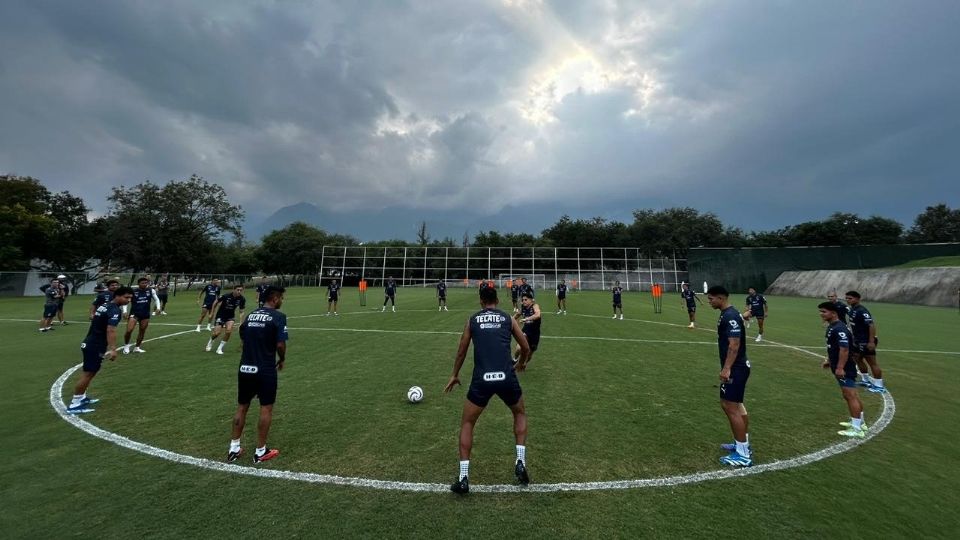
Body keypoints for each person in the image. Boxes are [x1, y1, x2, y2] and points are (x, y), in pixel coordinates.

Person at [444, 286, 531, 494]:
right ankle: (520, 461)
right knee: (519, 413)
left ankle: (463, 478)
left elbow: (461, 351)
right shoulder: (507, 319)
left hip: (481, 380)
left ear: (481, 301)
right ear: (497, 300)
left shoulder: (472, 320)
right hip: (506, 377)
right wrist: (521, 363)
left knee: (467, 423)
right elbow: (525, 347)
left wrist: (454, 374)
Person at [227, 285, 288, 464]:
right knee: (266, 408)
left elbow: (241, 331)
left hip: (245, 368)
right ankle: (260, 451)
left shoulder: (251, 314)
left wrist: (251, 345)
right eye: (281, 298)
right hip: (265, 369)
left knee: (242, 406)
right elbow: (280, 345)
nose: (282, 301)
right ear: (275, 299)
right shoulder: (278, 317)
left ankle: (234, 448)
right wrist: (282, 358)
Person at [66, 286, 134, 414]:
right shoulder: (114, 310)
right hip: (95, 344)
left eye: (130, 298)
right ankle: (75, 404)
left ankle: (82, 397)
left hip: (92, 342)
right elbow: (111, 329)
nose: (128, 300)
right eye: (126, 297)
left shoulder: (105, 305)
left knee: (91, 372)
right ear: (117, 296)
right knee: (88, 373)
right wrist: (113, 349)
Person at [707, 285, 753, 467]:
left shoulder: (730, 316)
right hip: (738, 367)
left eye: (711, 299)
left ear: (720, 298)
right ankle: (742, 444)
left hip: (736, 368)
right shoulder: (730, 314)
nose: (709, 302)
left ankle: (743, 454)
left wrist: (727, 368)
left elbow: (734, 345)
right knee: (737, 406)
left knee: (729, 406)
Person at [818, 302, 867, 438]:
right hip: (840, 365)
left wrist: (840, 367)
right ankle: (860, 422)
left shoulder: (839, 328)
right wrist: (829, 360)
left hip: (845, 367)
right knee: (852, 395)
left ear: (833, 313)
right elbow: (833, 347)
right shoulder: (833, 326)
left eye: (824, 312)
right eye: (821, 311)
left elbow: (844, 349)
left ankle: (857, 429)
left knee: (850, 395)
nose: (821, 314)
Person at [845, 291, 885, 393]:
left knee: (872, 362)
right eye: (847, 298)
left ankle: (879, 386)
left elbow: (871, 325)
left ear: (858, 299)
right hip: (858, 341)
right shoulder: (852, 310)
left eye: (850, 298)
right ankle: (865, 380)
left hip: (866, 341)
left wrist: (871, 342)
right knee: (857, 359)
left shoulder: (862, 310)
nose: (848, 300)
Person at [207, 285, 247, 355]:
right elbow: (215, 302)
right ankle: (211, 340)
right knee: (217, 333)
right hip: (220, 316)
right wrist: (212, 313)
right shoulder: (226, 296)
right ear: (234, 289)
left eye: (241, 290)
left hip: (230, 317)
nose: (239, 291)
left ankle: (219, 348)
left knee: (228, 331)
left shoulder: (242, 299)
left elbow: (241, 311)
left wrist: (241, 322)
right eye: (238, 290)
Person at [123, 277, 158, 354]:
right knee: (129, 330)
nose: (145, 284)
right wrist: (125, 311)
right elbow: (126, 301)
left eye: (146, 283)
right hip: (134, 314)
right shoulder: (133, 291)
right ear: (138, 284)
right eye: (143, 283)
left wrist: (158, 308)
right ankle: (126, 346)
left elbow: (156, 299)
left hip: (145, 314)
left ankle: (137, 348)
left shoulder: (151, 290)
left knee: (142, 331)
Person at [515, 292, 542, 365]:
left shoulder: (535, 306)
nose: (523, 301)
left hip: (535, 334)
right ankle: (514, 360)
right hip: (526, 331)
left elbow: (538, 315)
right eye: (523, 300)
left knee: (529, 354)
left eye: (526, 299)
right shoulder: (523, 307)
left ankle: (524, 363)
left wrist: (526, 319)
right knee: (518, 348)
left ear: (531, 300)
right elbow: (516, 315)